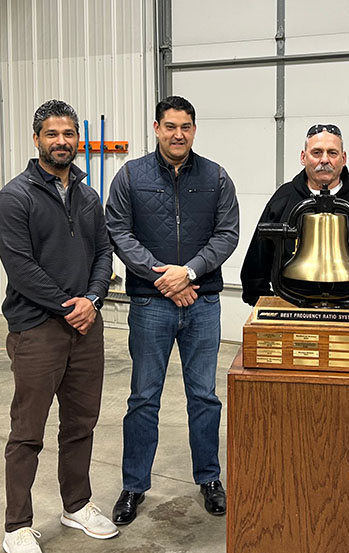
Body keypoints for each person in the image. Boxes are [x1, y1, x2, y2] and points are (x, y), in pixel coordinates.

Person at [0, 100, 117, 553]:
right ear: (36, 138)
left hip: (87, 327)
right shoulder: (15, 197)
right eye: (52, 134)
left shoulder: (87, 196)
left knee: (81, 423)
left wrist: (94, 300)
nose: (62, 141)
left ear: (77, 138)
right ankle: (17, 527)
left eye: (69, 133)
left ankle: (76, 504)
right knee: (27, 432)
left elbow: (104, 251)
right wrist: (72, 306)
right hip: (37, 329)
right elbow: (21, 269)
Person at [105, 96, 239, 524]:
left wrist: (190, 272)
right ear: (157, 128)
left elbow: (227, 234)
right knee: (144, 397)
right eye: (170, 126)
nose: (178, 134)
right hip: (150, 303)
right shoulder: (131, 175)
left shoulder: (216, 177)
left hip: (202, 301)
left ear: (194, 130)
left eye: (185, 127)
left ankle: (210, 479)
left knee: (204, 396)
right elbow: (118, 231)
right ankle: (133, 486)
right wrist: (161, 276)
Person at [241, 124, 349, 305]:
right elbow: (259, 257)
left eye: (332, 153)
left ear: (343, 158)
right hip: (292, 300)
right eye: (317, 153)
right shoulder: (283, 200)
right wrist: (260, 298)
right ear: (303, 157)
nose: (324, 160)